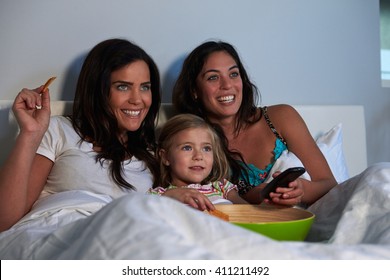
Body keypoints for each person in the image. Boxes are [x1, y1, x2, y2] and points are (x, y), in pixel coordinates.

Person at [0, 38, 176, 232]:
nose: (137, 99)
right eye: (123, 86)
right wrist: (30, 133)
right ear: (97, 90)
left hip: (125, 241)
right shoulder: (58, 130)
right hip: (62, 236)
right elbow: (5, 222)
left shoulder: (153, 152)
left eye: (145, 87)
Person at [172, 40, 337, 206]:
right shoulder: (190, 142)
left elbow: (329, 184)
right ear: (194, 91)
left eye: (233, 74)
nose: (227, 85)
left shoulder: (281, 118)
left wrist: (301, 190)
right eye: (213, 77)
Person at [148, 113, 248, 205]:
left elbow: (247, 212)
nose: (199, 156)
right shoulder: (158, 195)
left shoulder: (222, 188)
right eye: (187, 148)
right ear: (166, 157)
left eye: (206, 148)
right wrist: (168, 196)